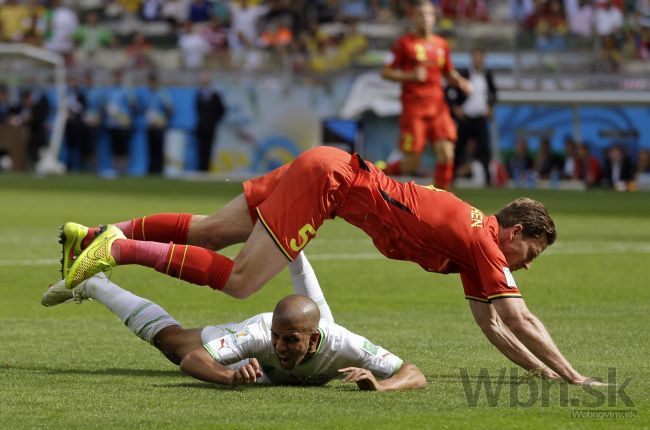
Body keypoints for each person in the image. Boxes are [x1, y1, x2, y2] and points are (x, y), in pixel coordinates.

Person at [62, 145, 602, 386]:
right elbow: (520, 319)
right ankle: (118, 249)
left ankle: (94, 235)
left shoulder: (472, 248)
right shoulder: (486, 242)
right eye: (528, 254)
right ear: (515, 233)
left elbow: (492, 324)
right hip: (330, 183)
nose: (523, 267)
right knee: (243, 281)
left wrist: (545, 373)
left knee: (212, 231)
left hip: (328, 168)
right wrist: (574, 376)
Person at [43, 255, 426, 390]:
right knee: (173, 346)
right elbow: (194, 360)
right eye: (278, 339)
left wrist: (382, 385)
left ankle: (290, 242)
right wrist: (230, 378)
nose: (279, 347)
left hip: (316, 331)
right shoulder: (261, 335)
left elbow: (414, 373)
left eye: (290, 341)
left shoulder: (345, 344)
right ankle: (95, 284)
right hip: (248, 344)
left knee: (304, 278)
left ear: (313, 342)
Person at [380, 0, 471, 190]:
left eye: (429, 14)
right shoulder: (404, 44)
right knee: (412, 162)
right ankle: (378, 172)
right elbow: (385, 72)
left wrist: (460, 81)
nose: (426, 19)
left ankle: (442, 201)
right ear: (413, 17)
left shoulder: (441, 45)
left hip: (438, 107)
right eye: (421, 15)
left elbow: (447, 71)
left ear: (434, 17)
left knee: (447, 153)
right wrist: (410, 75)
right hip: (414, 109)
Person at [447, 48, 497, 186]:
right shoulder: (464, 74)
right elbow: (449, 90)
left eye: (480, 57)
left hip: (480, 119)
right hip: (466, 118)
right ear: (472, 58)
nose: (478, 60)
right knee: (458, 148)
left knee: (484, 149)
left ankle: (488, 181)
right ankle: (450, 178)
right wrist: (455, 107)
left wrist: (490, 107)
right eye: (476, 57)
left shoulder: (487, 75)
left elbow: (493, 93)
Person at [141, 72, 174, 175]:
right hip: (150, 125)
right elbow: (144, 109)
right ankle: (150, 170)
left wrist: (162, 120)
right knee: (150, 149)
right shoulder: (147, 94)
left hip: (159, 126)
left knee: (159, 149)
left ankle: (159, 170)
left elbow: (170, 110)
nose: (151, 84)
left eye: (152, 82)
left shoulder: (163, 93)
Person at [194, 73, 226, 172]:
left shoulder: (215, 94)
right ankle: (200, 168)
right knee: (200, 147)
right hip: (201, 125)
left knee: (208, 148)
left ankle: (206, 169)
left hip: (210, 126)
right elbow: (197, 109)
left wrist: (214, 120)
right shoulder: (199, 94)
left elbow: (222, 109)